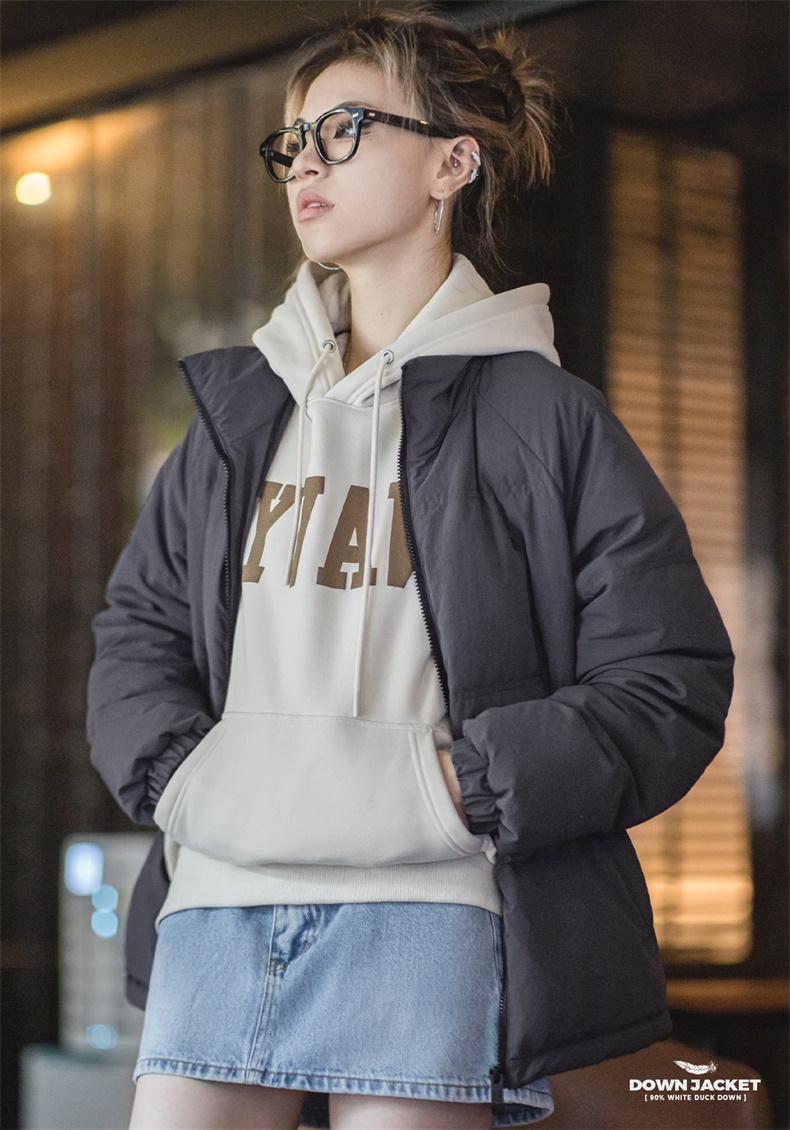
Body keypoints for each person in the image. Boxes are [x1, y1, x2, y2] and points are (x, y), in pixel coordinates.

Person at [86, 5, 734, 1129]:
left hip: (429, 909)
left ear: (451, 163)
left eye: (343, 129)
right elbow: (135, 631)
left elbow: (667, 681)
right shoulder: (239, 413)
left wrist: (461, 790)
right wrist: (185, 782)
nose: (305, 164)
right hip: (217, 898)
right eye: (292, 140)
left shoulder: (545, 418)